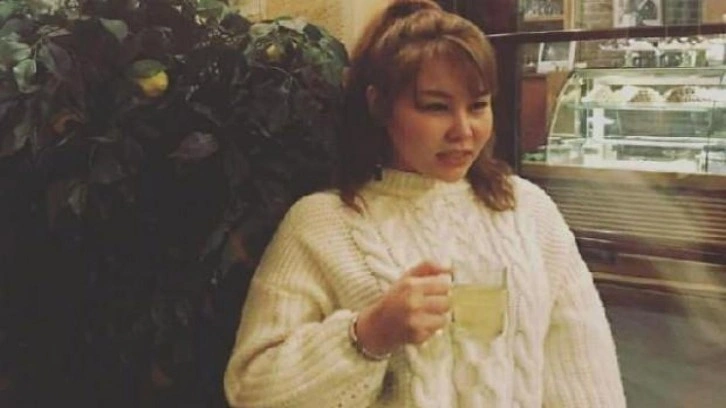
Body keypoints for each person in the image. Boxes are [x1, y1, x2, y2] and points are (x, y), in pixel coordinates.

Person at [224, 1, 627, 407]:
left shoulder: (528, 210)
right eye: (436, 107)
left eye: (478, 105)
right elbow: (252, 390)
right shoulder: (322, 224)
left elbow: (587, 376)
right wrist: (369, 335)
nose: (463, 130)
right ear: (379, 106)